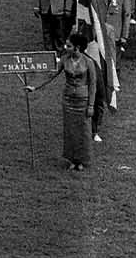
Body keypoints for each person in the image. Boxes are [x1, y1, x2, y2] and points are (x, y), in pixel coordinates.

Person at [31, 37, 98, 171]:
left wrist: (91, 105)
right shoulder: (65, 59)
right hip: (68, 100)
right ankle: (72, 159)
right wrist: (34, 86)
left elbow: (93, 84)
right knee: (70, 130)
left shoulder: (88, 62)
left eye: (69, 46)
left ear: (77, 47)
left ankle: (82, 160)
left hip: (82, 101)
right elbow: (51, 75)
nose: (66, 48)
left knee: (83, 131)